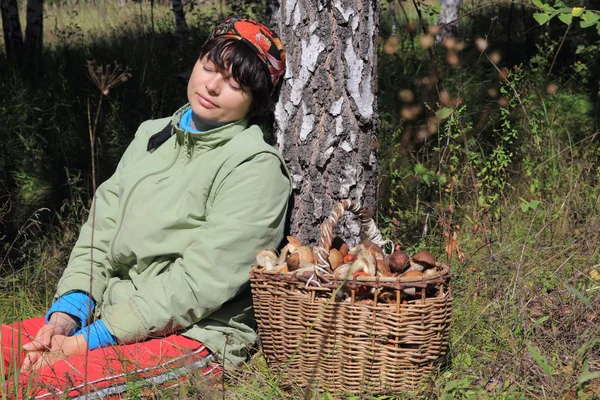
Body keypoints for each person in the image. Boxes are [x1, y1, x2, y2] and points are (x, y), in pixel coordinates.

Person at [1, 16, 291, 398]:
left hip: (194, 333)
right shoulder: (151, 135)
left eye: (236, 84)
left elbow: (199, 284)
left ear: (255, 101)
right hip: (108, 315)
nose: (214, 86)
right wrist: (67, 315)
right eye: (209, 67)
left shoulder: (253, 166)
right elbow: (99, 233)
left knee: (35, 389)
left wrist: (92, 339)